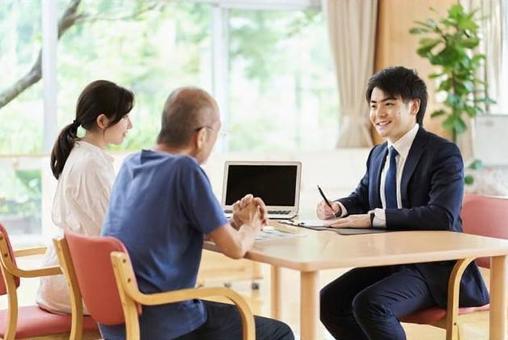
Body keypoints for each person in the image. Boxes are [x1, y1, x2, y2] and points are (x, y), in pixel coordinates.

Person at [100, 87, 294, 340]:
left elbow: (169, 228)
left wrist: (234, 223)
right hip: (163, 320)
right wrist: (251, 226)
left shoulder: (132, 163)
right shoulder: (185, 169)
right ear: (202, 136)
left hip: (121, 320)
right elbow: (235, 250)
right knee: (280, 333)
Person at [317, 66, 489, 340]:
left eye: (388, 104)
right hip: (390, 262)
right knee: (329, 301)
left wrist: (374, 219)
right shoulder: (378, 154)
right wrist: (339, 207)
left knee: (371, 304)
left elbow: (441, 216)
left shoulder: (442, 153)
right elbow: (363, 197)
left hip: (434, 268)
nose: (378, 114)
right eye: (373, 105)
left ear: (414, 106)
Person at [37, 80, 134, 313]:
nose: (129, 125)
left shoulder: (81, 154)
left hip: (66, 280)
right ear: (103, 121)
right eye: (125, 117)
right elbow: (111, 231)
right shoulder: (92, 164)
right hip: (76, 287)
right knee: (169, 297)